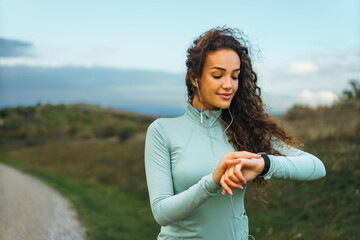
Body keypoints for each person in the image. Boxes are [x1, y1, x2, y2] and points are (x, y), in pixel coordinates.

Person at [144, 26, 326, 240]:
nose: (228, 85)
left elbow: (316, 167)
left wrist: (264, 164)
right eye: (218, 75)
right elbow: (162, 213)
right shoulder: (163, 131)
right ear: (195, 78)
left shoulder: (244, 129)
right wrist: (213, 181)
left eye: (235, 76)